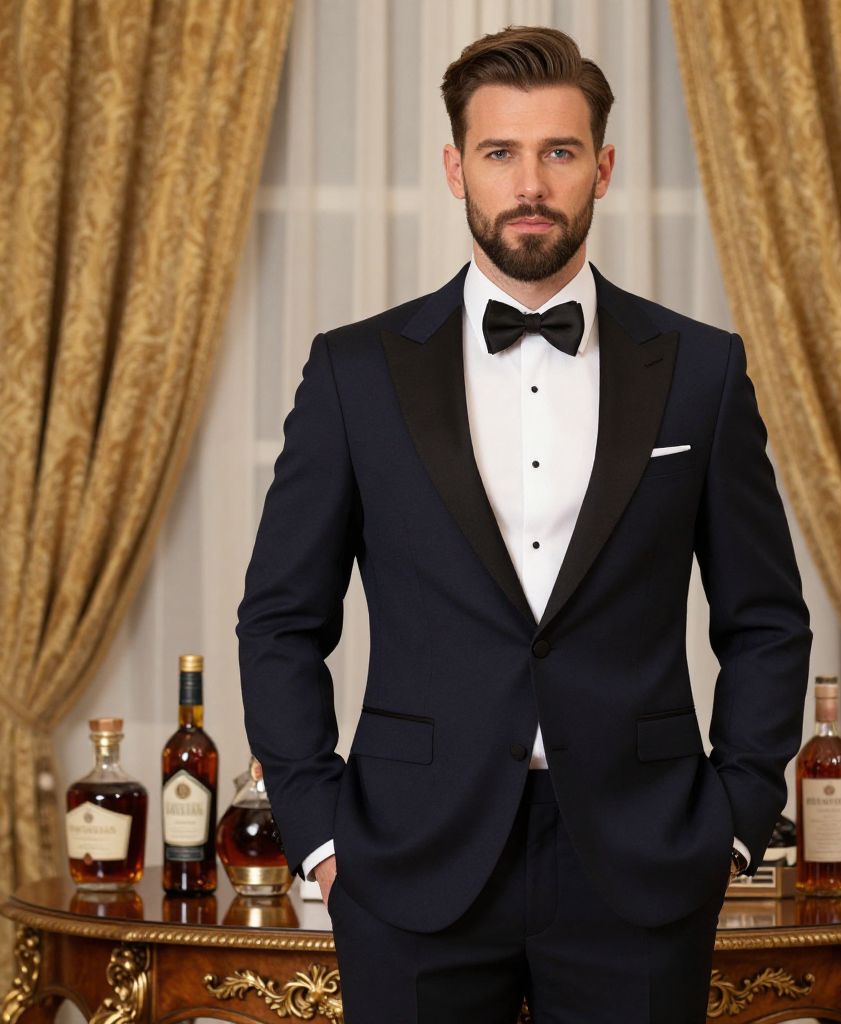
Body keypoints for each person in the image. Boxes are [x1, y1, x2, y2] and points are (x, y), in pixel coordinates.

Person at [237, 24, 812, 1024]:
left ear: (603, 166)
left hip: (641, 863)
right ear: (456, 168)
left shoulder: (701, 372)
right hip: (409, 863)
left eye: (559, 151)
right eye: (501, 152)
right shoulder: (356, 374)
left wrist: (730, 821)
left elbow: (765, 617)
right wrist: (324, 838)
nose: (531, 182)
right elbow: (280, 620)